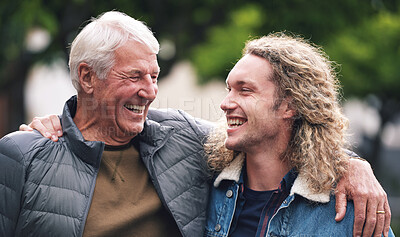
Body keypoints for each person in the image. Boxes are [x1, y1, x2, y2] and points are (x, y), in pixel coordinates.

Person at [8, 11, 390, 237]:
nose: (150, 92)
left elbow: (281, 141)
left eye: (154, 76)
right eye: (134, 76)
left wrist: (351, 165)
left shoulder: (179, 138)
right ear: (88, 78)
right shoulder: (25, 154)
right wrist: (52, 126)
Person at [203, 33, 394, 237]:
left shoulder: (350, 210)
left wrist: (354, 163)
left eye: (245, 90)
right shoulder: (205, 185)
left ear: (290, 105)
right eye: (229, 89)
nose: (225, 103)